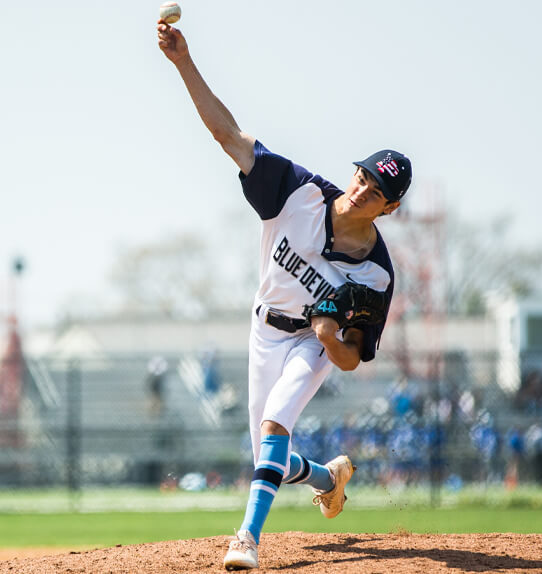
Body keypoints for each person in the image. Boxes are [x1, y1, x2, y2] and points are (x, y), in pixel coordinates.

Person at [157, 19, 412, 571]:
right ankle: (328, 478)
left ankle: (246, 539)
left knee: (277, 424)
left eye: (378, 192)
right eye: (364, 176)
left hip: (311, 345)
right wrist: (183, 63)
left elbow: (352, 357)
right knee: (266, 456)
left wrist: (328, 336)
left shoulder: (375, 275)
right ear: (355, 172)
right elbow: (229, 135)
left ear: (389, 209)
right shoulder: (296, 191)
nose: (364, 189)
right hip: (264, 330)